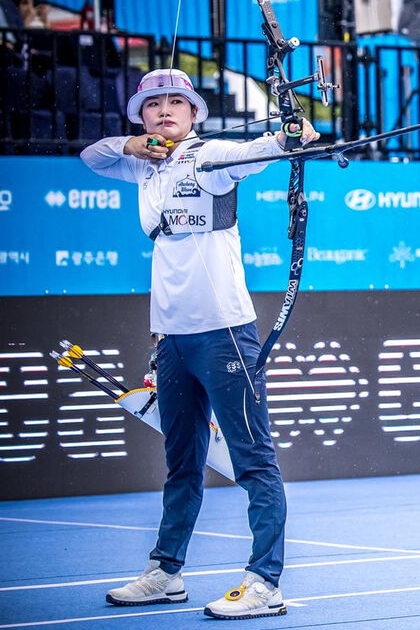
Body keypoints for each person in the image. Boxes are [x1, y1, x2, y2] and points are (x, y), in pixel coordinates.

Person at [81, 69, 319, 618]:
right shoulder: (140, 163)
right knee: (181, 462)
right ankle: (166, 572)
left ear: (194, 115)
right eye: (153, 105)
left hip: (223, 333)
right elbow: (93, 156)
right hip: (171, 337)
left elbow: (258, 150)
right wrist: (132, 146)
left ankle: (266, 582)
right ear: (141, 118)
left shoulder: (208, 159)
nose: (165, 111)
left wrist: (289, 134)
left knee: (252, 459)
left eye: (176, 104)